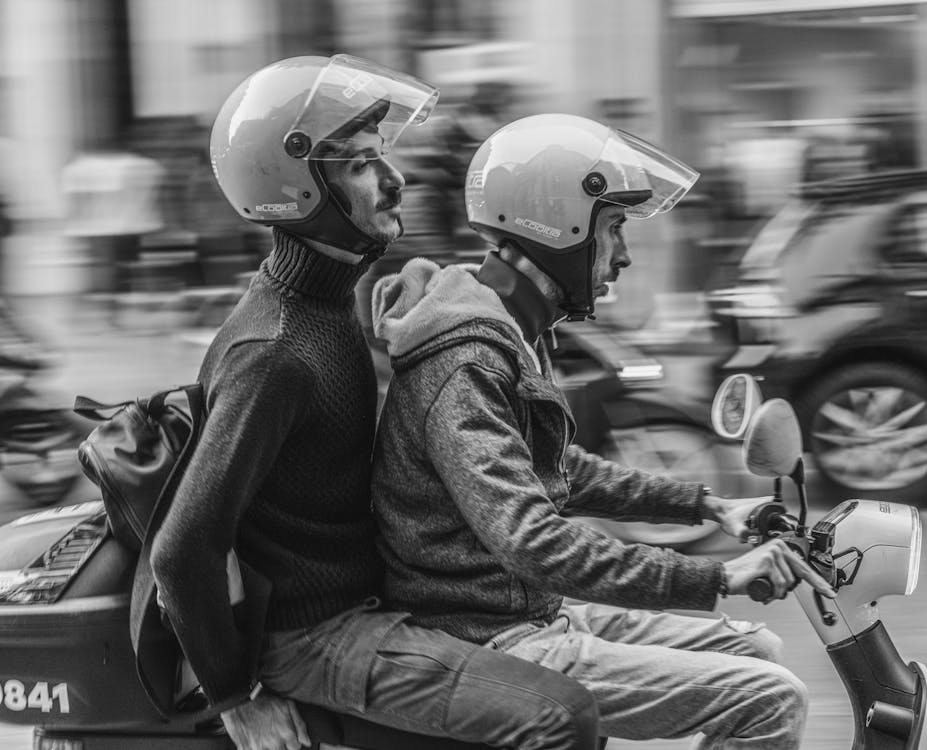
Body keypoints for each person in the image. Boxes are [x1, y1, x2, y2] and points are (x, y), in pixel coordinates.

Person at [150, 57, 598, 750]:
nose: (395, 179)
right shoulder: (275, 351)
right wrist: (238, 700)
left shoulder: (328, 306)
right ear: (298, 189)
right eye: (360, 164)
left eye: (381, 157)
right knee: (557, 713)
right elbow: (183, 548)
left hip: (374, 604)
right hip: (317, 636)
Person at [368, 113, 838, 750]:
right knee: (771, 698)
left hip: (529, 610)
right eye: (613, 228)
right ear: (557, 226)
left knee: (758, 648)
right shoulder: (467, 361)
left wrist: (712, 507)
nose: (624, 254)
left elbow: (564, 468)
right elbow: (534, 543)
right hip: (486, 636)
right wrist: (718, 577)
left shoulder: (512, 330)